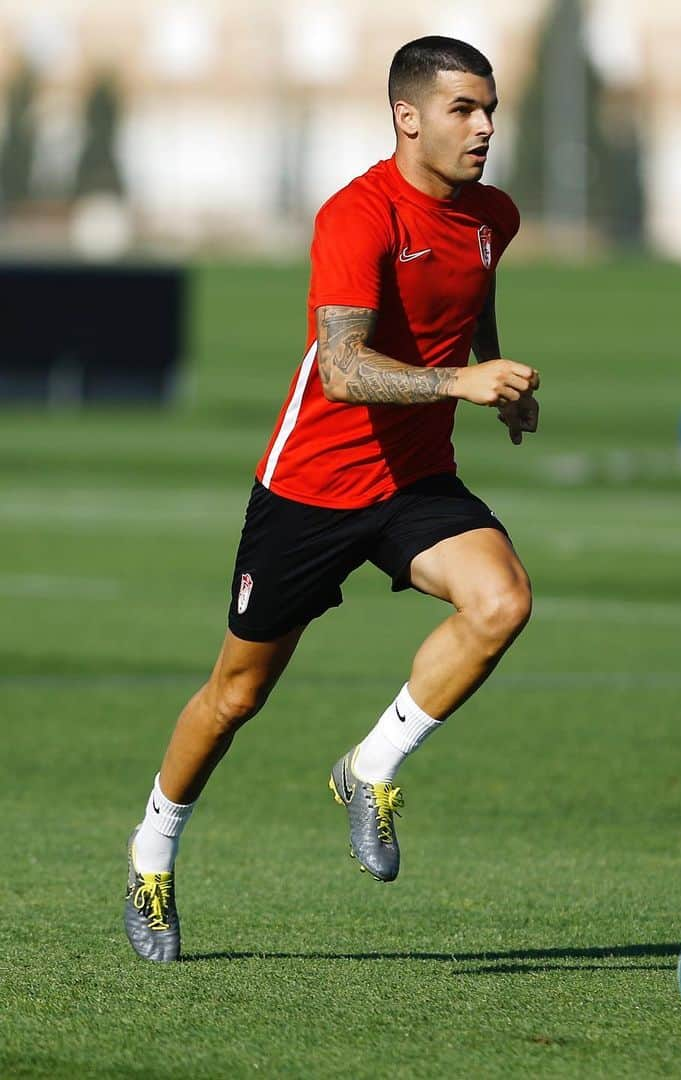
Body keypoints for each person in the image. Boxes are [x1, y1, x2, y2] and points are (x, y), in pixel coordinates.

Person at [124, 36, 539, 963]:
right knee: (236, 695)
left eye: (490, 107)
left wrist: (496, 381)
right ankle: (151, 853)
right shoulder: (356, 216)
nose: (485, 126)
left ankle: (370, 768)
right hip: (312, 487)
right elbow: (345, 372)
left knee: (502, 600)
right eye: (464, 108)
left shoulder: (492, 215)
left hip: (416, 482)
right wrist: (455, 386)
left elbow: (472, 295)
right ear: (408, 117)